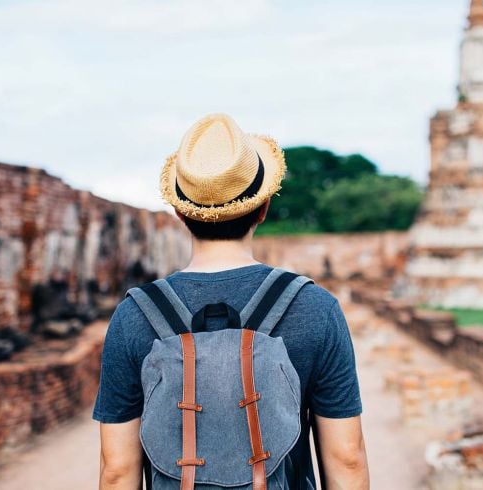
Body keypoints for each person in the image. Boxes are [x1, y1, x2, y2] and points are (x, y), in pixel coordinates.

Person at [93, 113, 369, 489]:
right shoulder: (315, 309)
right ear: (263, 207)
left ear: (180, 211)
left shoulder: (134, 316)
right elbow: (346, 458)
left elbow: (117, 470)